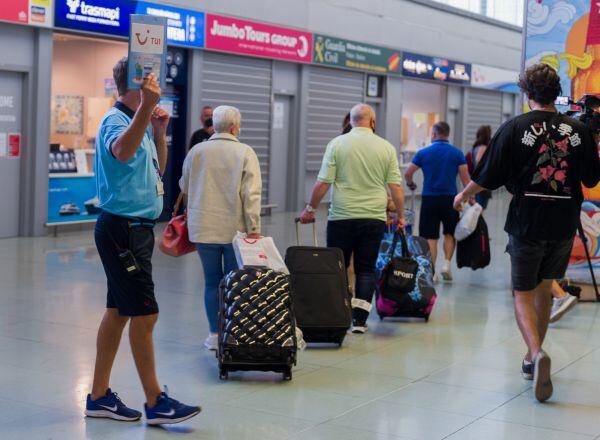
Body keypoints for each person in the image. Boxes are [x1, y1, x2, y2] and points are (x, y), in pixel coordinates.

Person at [454, 63, 600, 402]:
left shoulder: (514, 127)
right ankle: (531, 359)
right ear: (555, 92)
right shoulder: (577, 130)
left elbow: (488, 174)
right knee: (545, 288)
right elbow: (592, 180)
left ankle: (535, 353)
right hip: (564, 223)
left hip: (526, 221)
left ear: (527, 93)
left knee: (521, 291)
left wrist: (464, 194)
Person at [87, 58, 200, 424]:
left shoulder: (138, 121)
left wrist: (158, 133)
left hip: (136, 228)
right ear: (138, 84)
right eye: (151, 81)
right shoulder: (114, 119)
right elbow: (120, 151)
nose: (159, 86)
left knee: (119, 312)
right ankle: (155, 402)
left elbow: (157, 170)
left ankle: (99, 396)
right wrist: (146, 112)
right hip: (122, 229)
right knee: (145, 313)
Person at [299, 103, 405, 334]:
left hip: (341, 217)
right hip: (373, 218)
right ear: (373, 122)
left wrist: (310, 208)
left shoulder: (337, 144)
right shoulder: (386, 147)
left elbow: (323, 182)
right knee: (365, 269)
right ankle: (359, 321)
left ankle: (338, 315)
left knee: (338, 267)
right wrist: (401, 215)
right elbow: (395, 186)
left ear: (350, 121)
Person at [180, 105, 262, 350]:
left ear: (214, 125)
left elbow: (185, 185)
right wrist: (254, 228)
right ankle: (233, 332)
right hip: (235, 230)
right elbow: (252, 194)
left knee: (211, 282)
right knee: (235, 282)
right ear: (235, 127)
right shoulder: (245, 152)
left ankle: (214, 335)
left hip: (204, 229)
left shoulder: (196, 151)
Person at [404, 122, 470, 282]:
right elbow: (466, 180)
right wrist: (467, 199)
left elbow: (408, 173)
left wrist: (411, 184)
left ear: (433, 134)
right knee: (449, 233)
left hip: (429, 199)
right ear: (448, 134)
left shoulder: (423, 152)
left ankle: (432, 272)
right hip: (451, 199)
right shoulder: (457, 153)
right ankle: (446, 265)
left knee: (430, 237)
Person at [470, 125, 493, 210]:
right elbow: (480, 163)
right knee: (479, 210)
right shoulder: (483, 148)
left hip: (477, 181)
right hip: (482, 183)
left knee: (477, 210)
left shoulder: (475, 148)